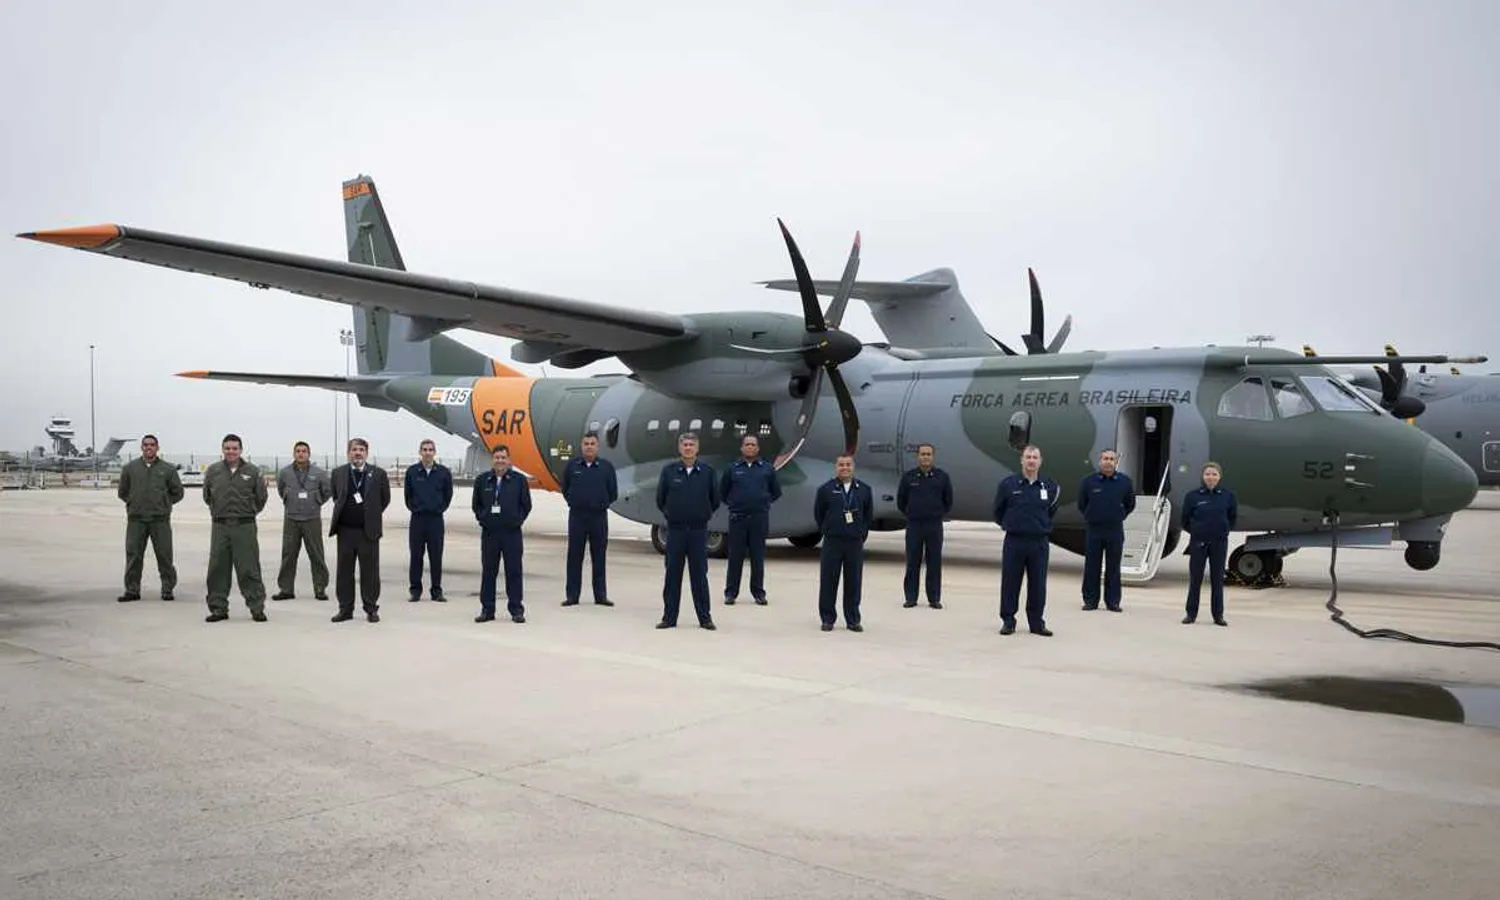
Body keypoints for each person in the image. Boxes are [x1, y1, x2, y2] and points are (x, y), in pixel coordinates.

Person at [993, 444, 1060, 636]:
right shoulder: (1008, 485)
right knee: (1010, 582)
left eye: (1035, 457)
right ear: (1021, 460)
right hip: (1014, 540)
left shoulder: (1050, 486)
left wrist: (1038, 525)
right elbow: (998, 511)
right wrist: (1013, 524)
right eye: (1028, 457)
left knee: (1038, 584)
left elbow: (1051, 511)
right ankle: (1008, 621)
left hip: (1039, 542)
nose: (1031, 460)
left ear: (1040, 461)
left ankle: (1036, 623)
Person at [655, 432, 720, 630]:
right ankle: (669, 617)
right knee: (672, 575)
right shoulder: (669, 471)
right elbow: (661, 499)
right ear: (680, 448)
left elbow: (715, 500)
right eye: (685, 445)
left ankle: (705, 618)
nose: (688, 448)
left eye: (692, 445)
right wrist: (672, 515)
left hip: (698, 531)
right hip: (676, 531)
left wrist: (703, 514)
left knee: (699, 575)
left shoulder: (707, 472)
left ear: (697, 449)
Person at [202, 433, 269, 623]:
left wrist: (249, 511)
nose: (231, 451)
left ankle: (256, 607)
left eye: (234, 448)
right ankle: (218, 608)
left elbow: (261, 497)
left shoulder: (253, 472)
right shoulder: (213, 471)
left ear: (241, 450)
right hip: (220, 527)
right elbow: (207, 496)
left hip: (244, 526)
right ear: (222, 450)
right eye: (227, 448)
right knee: (217, 568)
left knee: (249, 568)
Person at [328, 438, 391, 623]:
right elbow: (336, 496)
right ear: (349, 452)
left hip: (368, 532)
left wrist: (371, 515)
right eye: (354, 449)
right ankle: (345, 609)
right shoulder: (338, 473)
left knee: (370, 572)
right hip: (345, 531)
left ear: (366, 453)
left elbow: (384, 499)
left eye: (361, 450)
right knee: (344, 572)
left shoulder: (378, 474)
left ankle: (371, 608)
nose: (358, 453)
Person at [116, 434, 184, 602]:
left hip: (159, 520)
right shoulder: (130, 468)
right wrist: (134, 503)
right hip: (136, 520)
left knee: (164, 555)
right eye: (146, 445)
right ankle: (132, 590)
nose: (149, 447)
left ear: (157, 447)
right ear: (141, 447)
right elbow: (122, 492)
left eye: (152, 445)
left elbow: (178, 493)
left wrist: (164, 504)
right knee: (133, 555)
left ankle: (167, 588)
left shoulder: (168, 469)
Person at [814, 454, 874, 632]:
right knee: (828, 582)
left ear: (853, 467)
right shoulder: (825, 489)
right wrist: (827, 529)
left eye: (848, 464)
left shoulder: (864, 489)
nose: (845, 468)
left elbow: (868, 515)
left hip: (854, 543)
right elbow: (819, 513)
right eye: (841, 465)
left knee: (853, 582)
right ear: (836, 467)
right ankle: (827, 618)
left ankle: (853, 619)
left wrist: (860, 533)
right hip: (833, 542)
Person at [719, 434, 781, 606]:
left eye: (753, 444)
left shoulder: (767, 469)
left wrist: (761, 502)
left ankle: (758, 593)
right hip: (738, 519)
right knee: (735, 557)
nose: (750, 447)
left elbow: (775, 492)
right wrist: (735, 504)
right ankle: (731, 593)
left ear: (758, 448)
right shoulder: (732, 468)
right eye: (747, 444)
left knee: (757, 557)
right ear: (742, 448)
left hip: (759, 519)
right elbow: (723, 492)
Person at [472, 444, 531, 623]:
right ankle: (487, 609)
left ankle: (516, 609)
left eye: (503, 457)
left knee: (514, 571)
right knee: (489, 571)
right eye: (497, 457)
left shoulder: (519, 480)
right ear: (493, 459)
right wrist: (483, 519)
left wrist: (517, 520)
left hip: (511, 534)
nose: (500, 461)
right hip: (490, 534)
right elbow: (476, 505)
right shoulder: (483, 480)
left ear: (509, 460)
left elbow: (526, 505)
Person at [561, 432, 617, 607]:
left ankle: (600, 595)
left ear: (598, 446)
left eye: (592, 443)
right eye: (586, 443)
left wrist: (600, 503)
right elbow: (565, 488)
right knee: (574, 556)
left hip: (598, 517)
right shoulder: (572, 466)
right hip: (577, 517)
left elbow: (613, 492)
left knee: (599, 556)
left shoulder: (606, 467)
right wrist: (574, 501)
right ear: (581, 446)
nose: (589, 446)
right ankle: (572, 595)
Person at [1077, 448, 1136, 612]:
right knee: (1091, 566)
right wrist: (1092, 515)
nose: (1108, 461)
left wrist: (1119, 515)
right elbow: (1082, 504)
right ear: (1099, 461)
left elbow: (1130, 504)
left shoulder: (1125, 482)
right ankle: (1090, 600)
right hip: (1094, 529)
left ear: (1116, 462)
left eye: (1111, 459)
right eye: (1105, 458)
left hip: (1115, 530)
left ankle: (1113, 601)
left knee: (1113, 567)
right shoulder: (1088, 482)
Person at [272, 441, 332, 601]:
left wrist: (316, 501)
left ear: (309, 454)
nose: (301, 454)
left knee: (316, 554)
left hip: (312, 518)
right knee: (288, 554)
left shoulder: (319, 473)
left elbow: (327, 491)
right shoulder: (284, 473)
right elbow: (281, 489)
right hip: (291, 518)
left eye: (304, 451)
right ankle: (286, 589)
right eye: (298, 451)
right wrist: (289, 500)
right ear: (294, 454)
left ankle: (320, 588)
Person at [896, 442, 952, 609]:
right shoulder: (909, 477)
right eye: (922, 454)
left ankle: (934, 598)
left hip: (934, 525)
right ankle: (911, 597)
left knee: (934, 562)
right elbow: (901, 501)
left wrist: (937, 513)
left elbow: (948, 501)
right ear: (918, 456)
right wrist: (912, 513)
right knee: (913, 561)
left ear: (933, 457)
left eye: (928, 454)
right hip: (914, 525)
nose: (925, 457)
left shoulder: (942, 477)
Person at [1181, 461, 1237, 626]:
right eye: (1207, 474)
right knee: (1195, 579)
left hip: (1219, 543)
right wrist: (1197, 531)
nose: (1210, 477)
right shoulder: (1193, 496)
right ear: (1202, 476)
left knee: (1217, 580)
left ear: (1219, 476)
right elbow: (1185, 520)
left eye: (1214, 474)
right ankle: (1191, 614)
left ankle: (1218, 615)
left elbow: (1232, 518)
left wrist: (1223, 530)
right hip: (1198, 542)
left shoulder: (1228, 496)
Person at [404, 439, 453, 602]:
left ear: (434, 452)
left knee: (436, 556)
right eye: (424, 449)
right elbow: (408, 496)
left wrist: (439, 508)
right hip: (417, 519)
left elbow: (448, 495)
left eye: (430, 450)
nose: (427, 452)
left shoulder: (444, 473)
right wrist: (416, 508)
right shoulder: (412, 472)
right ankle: (415, 590)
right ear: (420, 452)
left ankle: (436, 590)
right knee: (416, 556)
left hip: (435, 520)